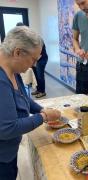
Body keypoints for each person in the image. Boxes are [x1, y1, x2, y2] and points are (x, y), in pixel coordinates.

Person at [0, 26, 61, 180]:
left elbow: (24, 99)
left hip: (8, 153)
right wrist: (43, 117)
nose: (34, 65)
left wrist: (43, 109)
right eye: (33, 59)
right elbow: (8, 128)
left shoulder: (13, 70)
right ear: (18, 52)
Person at [16, 22, 48, 98]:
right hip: (34, 59)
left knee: (40, 76)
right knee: (35, 75)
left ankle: (42, 92)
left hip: (41, 58)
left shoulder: (34, 36)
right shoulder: (26, 37)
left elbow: (40, 49)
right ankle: (38, 90)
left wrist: (34, 60)